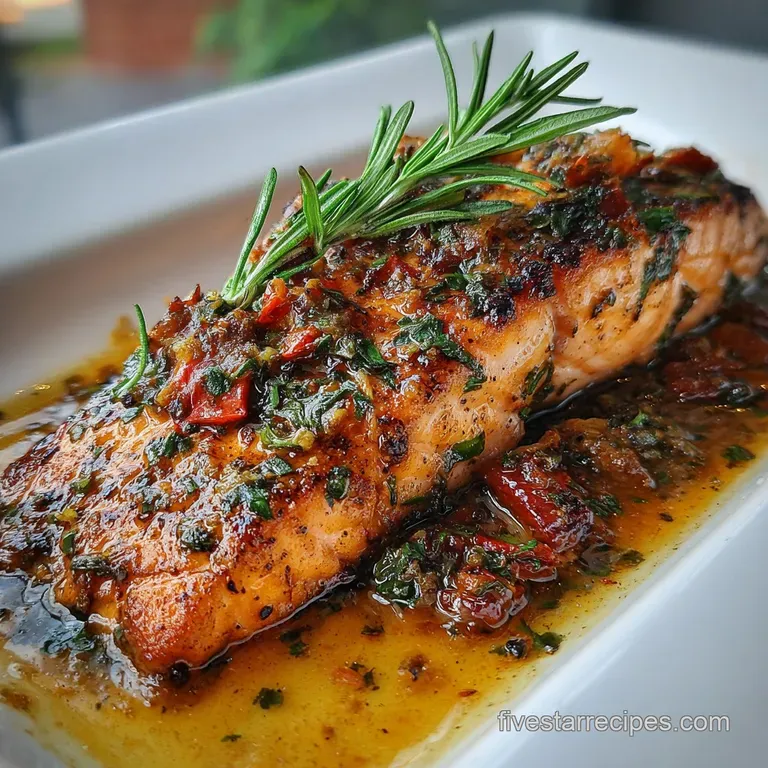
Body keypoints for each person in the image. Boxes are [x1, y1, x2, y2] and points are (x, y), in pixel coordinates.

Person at [0, 23, 24, 144]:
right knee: (14, 121)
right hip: (7, 84)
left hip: (6, 85)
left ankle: (21, 145)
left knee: (14, 121)